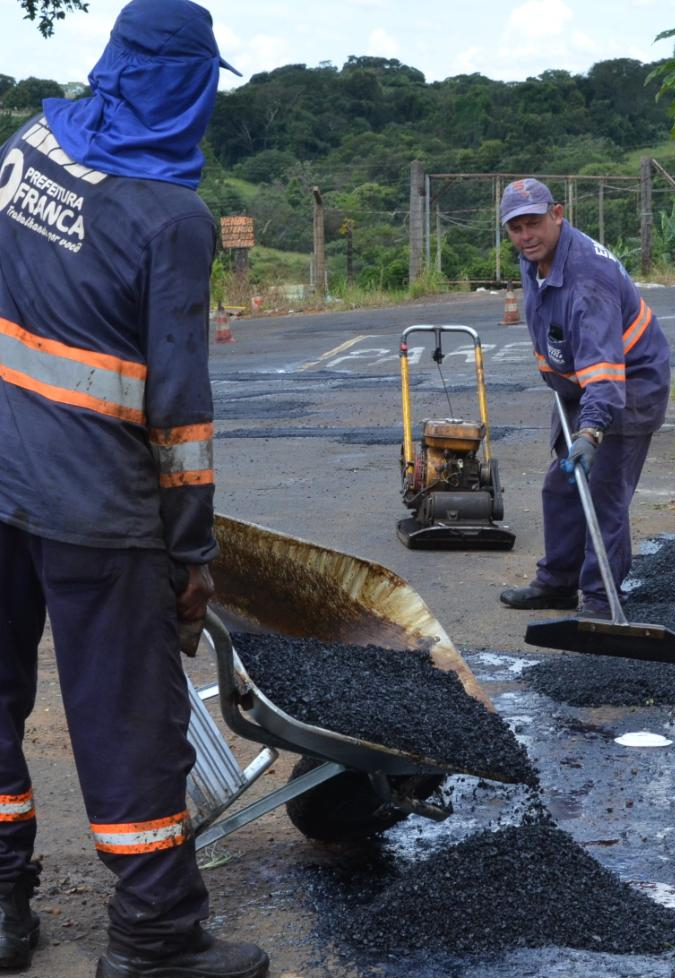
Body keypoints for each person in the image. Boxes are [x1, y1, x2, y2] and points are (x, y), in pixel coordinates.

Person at [0, 2, 270, 976]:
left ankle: (1, 909)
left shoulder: (28, 145)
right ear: (186, 86)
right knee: (130, 723)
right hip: (93, 511)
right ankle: (153, 940)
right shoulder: (170, 218)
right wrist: (190, 554)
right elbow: (180, 415)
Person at [498, 178, 671, 619]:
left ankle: (599, 602)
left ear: (557, 213)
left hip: (628, 385)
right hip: (578, 385)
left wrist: (591, 431)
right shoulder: (534, 258)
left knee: (603, 493)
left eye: (534, 223)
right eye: (515, 228)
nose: (526, 235)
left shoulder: (587, 281)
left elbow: (607, 370)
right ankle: (557, 583)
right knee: (562, 484)